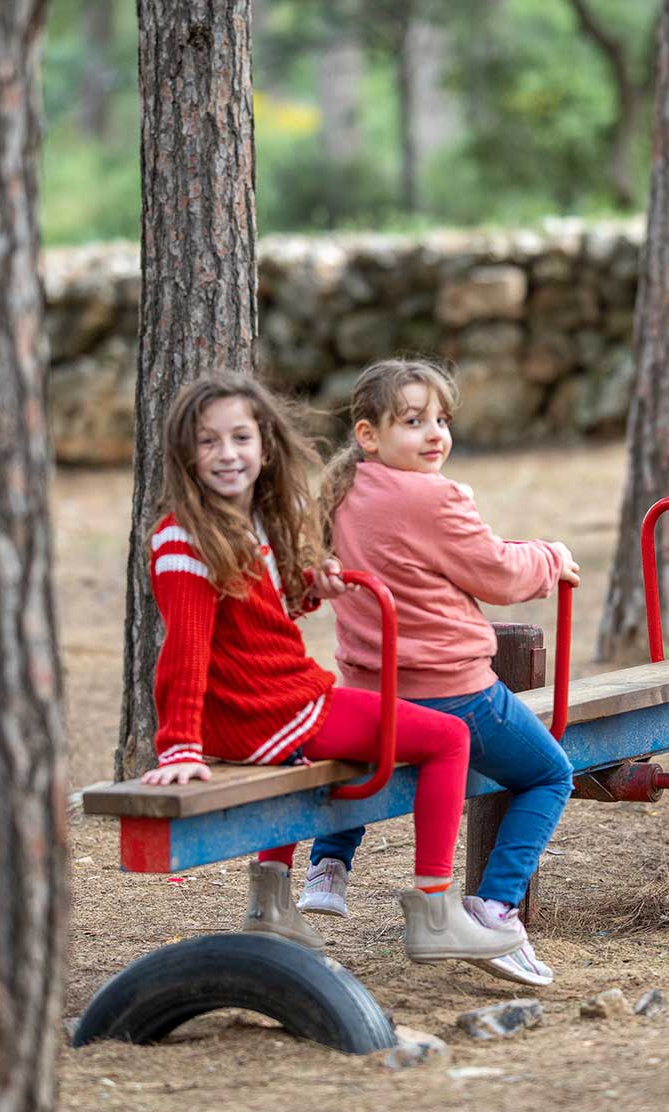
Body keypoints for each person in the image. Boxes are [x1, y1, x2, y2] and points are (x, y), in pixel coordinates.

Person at [143, 370, 521, 973]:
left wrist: (307, 591)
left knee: (327, 751)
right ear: (184, 454)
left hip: (278, 703)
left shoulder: (247, 524)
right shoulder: (185, 537)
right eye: (208, 441)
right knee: (449, 737)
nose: (227, 454)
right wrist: (179, 747)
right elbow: (186, 649)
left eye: (240, 438)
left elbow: (255, 620)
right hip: (270, 711)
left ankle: (271, 900)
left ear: (265, 445)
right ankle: (434, 912)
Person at [299, 358, 578, 988]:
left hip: (371, 689)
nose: (435, 435)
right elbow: (499, 574)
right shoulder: (435, 495)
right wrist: (551, 556)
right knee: (549, 772)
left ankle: (329, 865)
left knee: (368, 760)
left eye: (442, 420)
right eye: (413, 421)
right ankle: (496, 906)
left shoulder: (343, 490)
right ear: (368, 434)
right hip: (452, 693)